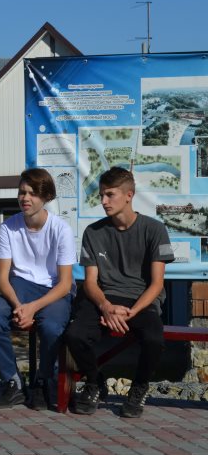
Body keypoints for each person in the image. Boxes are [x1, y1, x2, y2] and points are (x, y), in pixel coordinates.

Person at [65, 167, 174, 418]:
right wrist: (105, 306)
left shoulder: (155, 230)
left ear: (129, 195)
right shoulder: (93, 232)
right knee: (75, 335)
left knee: (154, 340)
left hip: (140, 301)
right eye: (102, 195)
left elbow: (157, 284)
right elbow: (90, 283)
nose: (103, 201)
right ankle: (95, 382)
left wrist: (131, 312)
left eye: (110, 195)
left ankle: (139, 388)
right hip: (103, 298)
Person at [0, 168, 76, 410]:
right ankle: (12, 382)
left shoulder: (61, 229)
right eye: (22, 192)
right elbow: (2, 278)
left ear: (46, 197)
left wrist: (32, 308)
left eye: (32, 193)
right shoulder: (8, 228)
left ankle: (44, 380)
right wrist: (19, 307)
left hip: (53, 288)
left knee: (51, 327)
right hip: (19, 288)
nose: (25, 198)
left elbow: (66, 283)